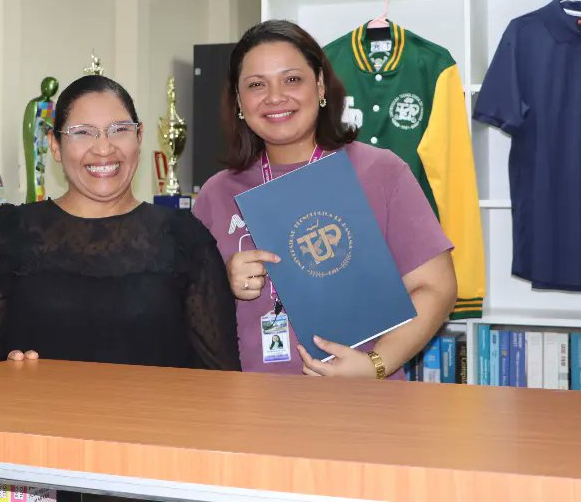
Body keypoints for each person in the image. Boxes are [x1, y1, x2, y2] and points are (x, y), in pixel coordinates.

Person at [192, 20, 457, 380]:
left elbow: (436, 288)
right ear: (239, 101)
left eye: (292, 79)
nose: (275, 97)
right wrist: (223, 285)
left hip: (363, 409)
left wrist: (375, 365)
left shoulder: (381, 172)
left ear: (319, 85)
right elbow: (189, 317)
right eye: (256, 85)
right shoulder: (215, 194)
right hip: (249, 408)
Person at [0, 74, 241, 375]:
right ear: (55, 145)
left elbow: (219, 376)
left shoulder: (184, 236)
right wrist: (3, 370)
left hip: (150, 423)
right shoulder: (10, 231)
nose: (104, 148)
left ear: (140, 136)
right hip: (38, 422)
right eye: (83, 132)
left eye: (119, 129)